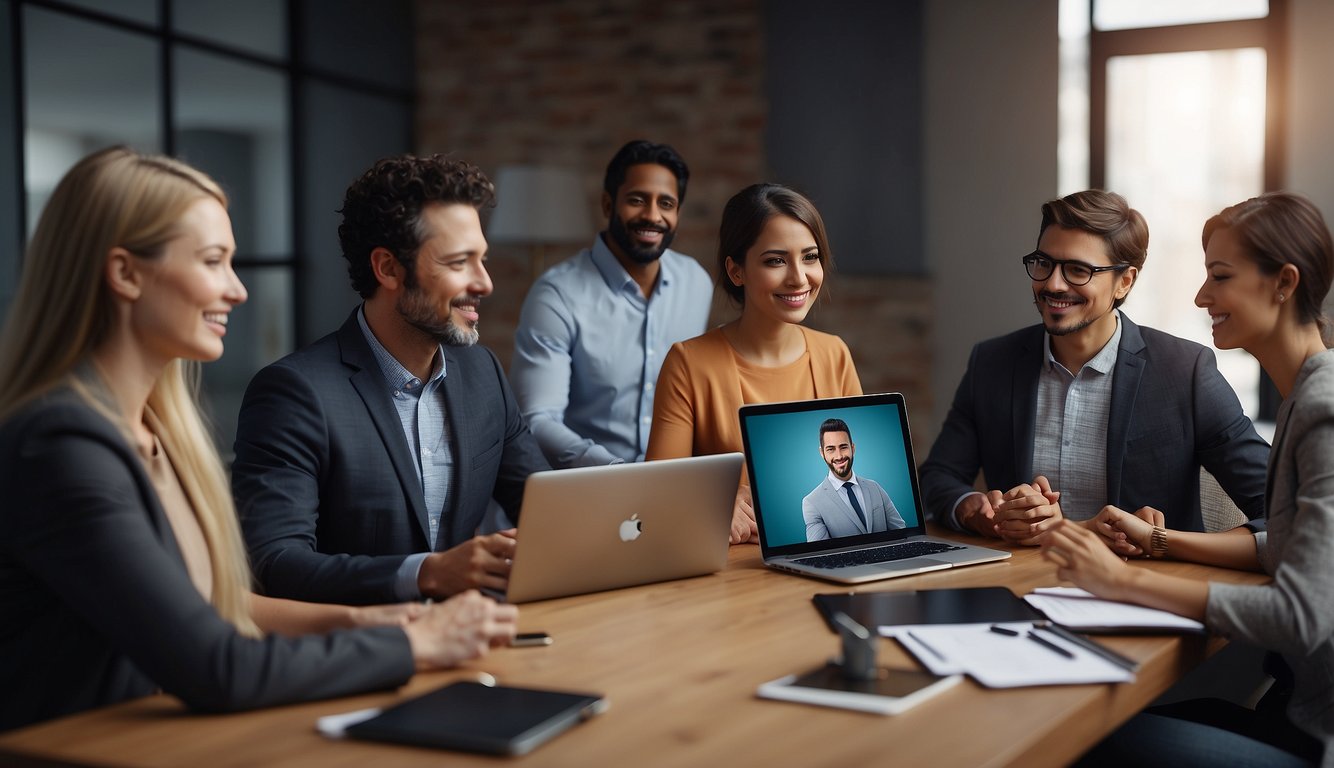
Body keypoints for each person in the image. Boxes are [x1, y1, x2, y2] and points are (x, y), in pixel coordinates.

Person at [0, 147, 517, 732]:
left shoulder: (156, 431)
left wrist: (387, 623)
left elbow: (223, 608)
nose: (239, 290)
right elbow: (217, 665)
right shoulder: (61, 445)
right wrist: (416, 646)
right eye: (214, 261)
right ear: (124, 273)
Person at [1044, 192, 1332, 767]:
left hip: (1318, 740)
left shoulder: (1324, 411)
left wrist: (1120, 582)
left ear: (1284, 284)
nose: (1201, 297)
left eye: (1219, 277)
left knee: (1068, 742)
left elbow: (1304, 615)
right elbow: (1295, 550)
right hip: (1293, 711)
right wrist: (1158, 541)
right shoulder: (1307, 394)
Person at [232, 154, 549, 606]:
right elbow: (274, 563)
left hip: (474, 640)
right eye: (460, 262)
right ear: (388, 269)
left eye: (483, 259)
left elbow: (545, 514)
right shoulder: (293, 393)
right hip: (357, 658)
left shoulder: (484, 374)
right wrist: (428, 574)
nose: (485, 282)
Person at [919, 189, 1268, 547]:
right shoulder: (992, 362)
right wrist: (976, 509)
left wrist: (1163, 540)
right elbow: (938, 477)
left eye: (1078, 270)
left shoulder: (1185, 371)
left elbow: (1277, 505)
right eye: (1044, 263)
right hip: (1018, 584)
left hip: (1143, 587)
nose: (1053, 284)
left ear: (1125, 281)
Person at [646, 183, 862, 544]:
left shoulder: (833, 353)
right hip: (732, 570)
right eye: (775, 261)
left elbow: (854, 479)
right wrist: (710, 498)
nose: (798, 277)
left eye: (810, 257)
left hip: (827, 553)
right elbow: (656, 491)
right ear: (736, 271)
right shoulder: (688, 363)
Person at [510, 140, 712, 468]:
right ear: (607, 204)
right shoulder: (556, 295)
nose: (652, 215)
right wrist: (615, 472)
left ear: (678, 213)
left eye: (666, 203)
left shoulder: (696, 283)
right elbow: (538, 419)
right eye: (636, 200)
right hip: (584, 488)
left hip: (672, 486)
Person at [802, 418, 905, 541]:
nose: (839, 456)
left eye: (843, 447)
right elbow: (819, 553)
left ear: (853, 448)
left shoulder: (875, 487)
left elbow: (902, 533)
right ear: (822, 453)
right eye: (831, 449)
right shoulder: (812, 502)